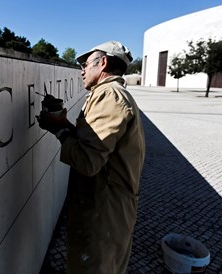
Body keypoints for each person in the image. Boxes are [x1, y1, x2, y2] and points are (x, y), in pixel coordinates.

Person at [37, 41, 145, 274]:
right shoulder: (110, 94)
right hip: (106, 207)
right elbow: (97, 147)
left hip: (104, 214)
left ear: (103, 62)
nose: (82, 71)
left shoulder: (109, 96)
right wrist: (64, 124)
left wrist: (60, 130)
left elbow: (88, 162)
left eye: (85, 64)